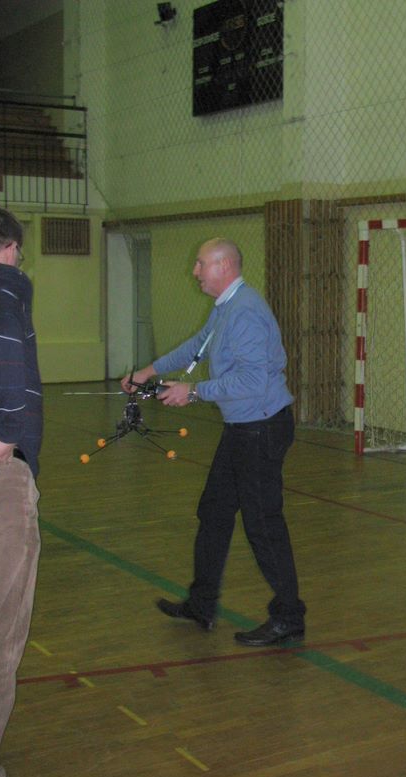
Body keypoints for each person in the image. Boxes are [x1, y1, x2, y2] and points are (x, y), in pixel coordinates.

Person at [122, 238, 306, 646]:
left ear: (223, 267)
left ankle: (289, 616)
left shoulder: (246, 312)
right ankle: (201, 604)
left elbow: (252, 380)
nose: (195, 272)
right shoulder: (225, 308)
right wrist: (148, 372)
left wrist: (193, 392)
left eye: (200, 264)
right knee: (215, 511)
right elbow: (197, 346)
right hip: (242, 428)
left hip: (261, 428)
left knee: (263, 523)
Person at [0, 206, 49, 777]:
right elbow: (10, 395)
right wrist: (2, 445)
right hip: (0, 480)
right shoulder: (4, 291)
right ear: (8, 247)